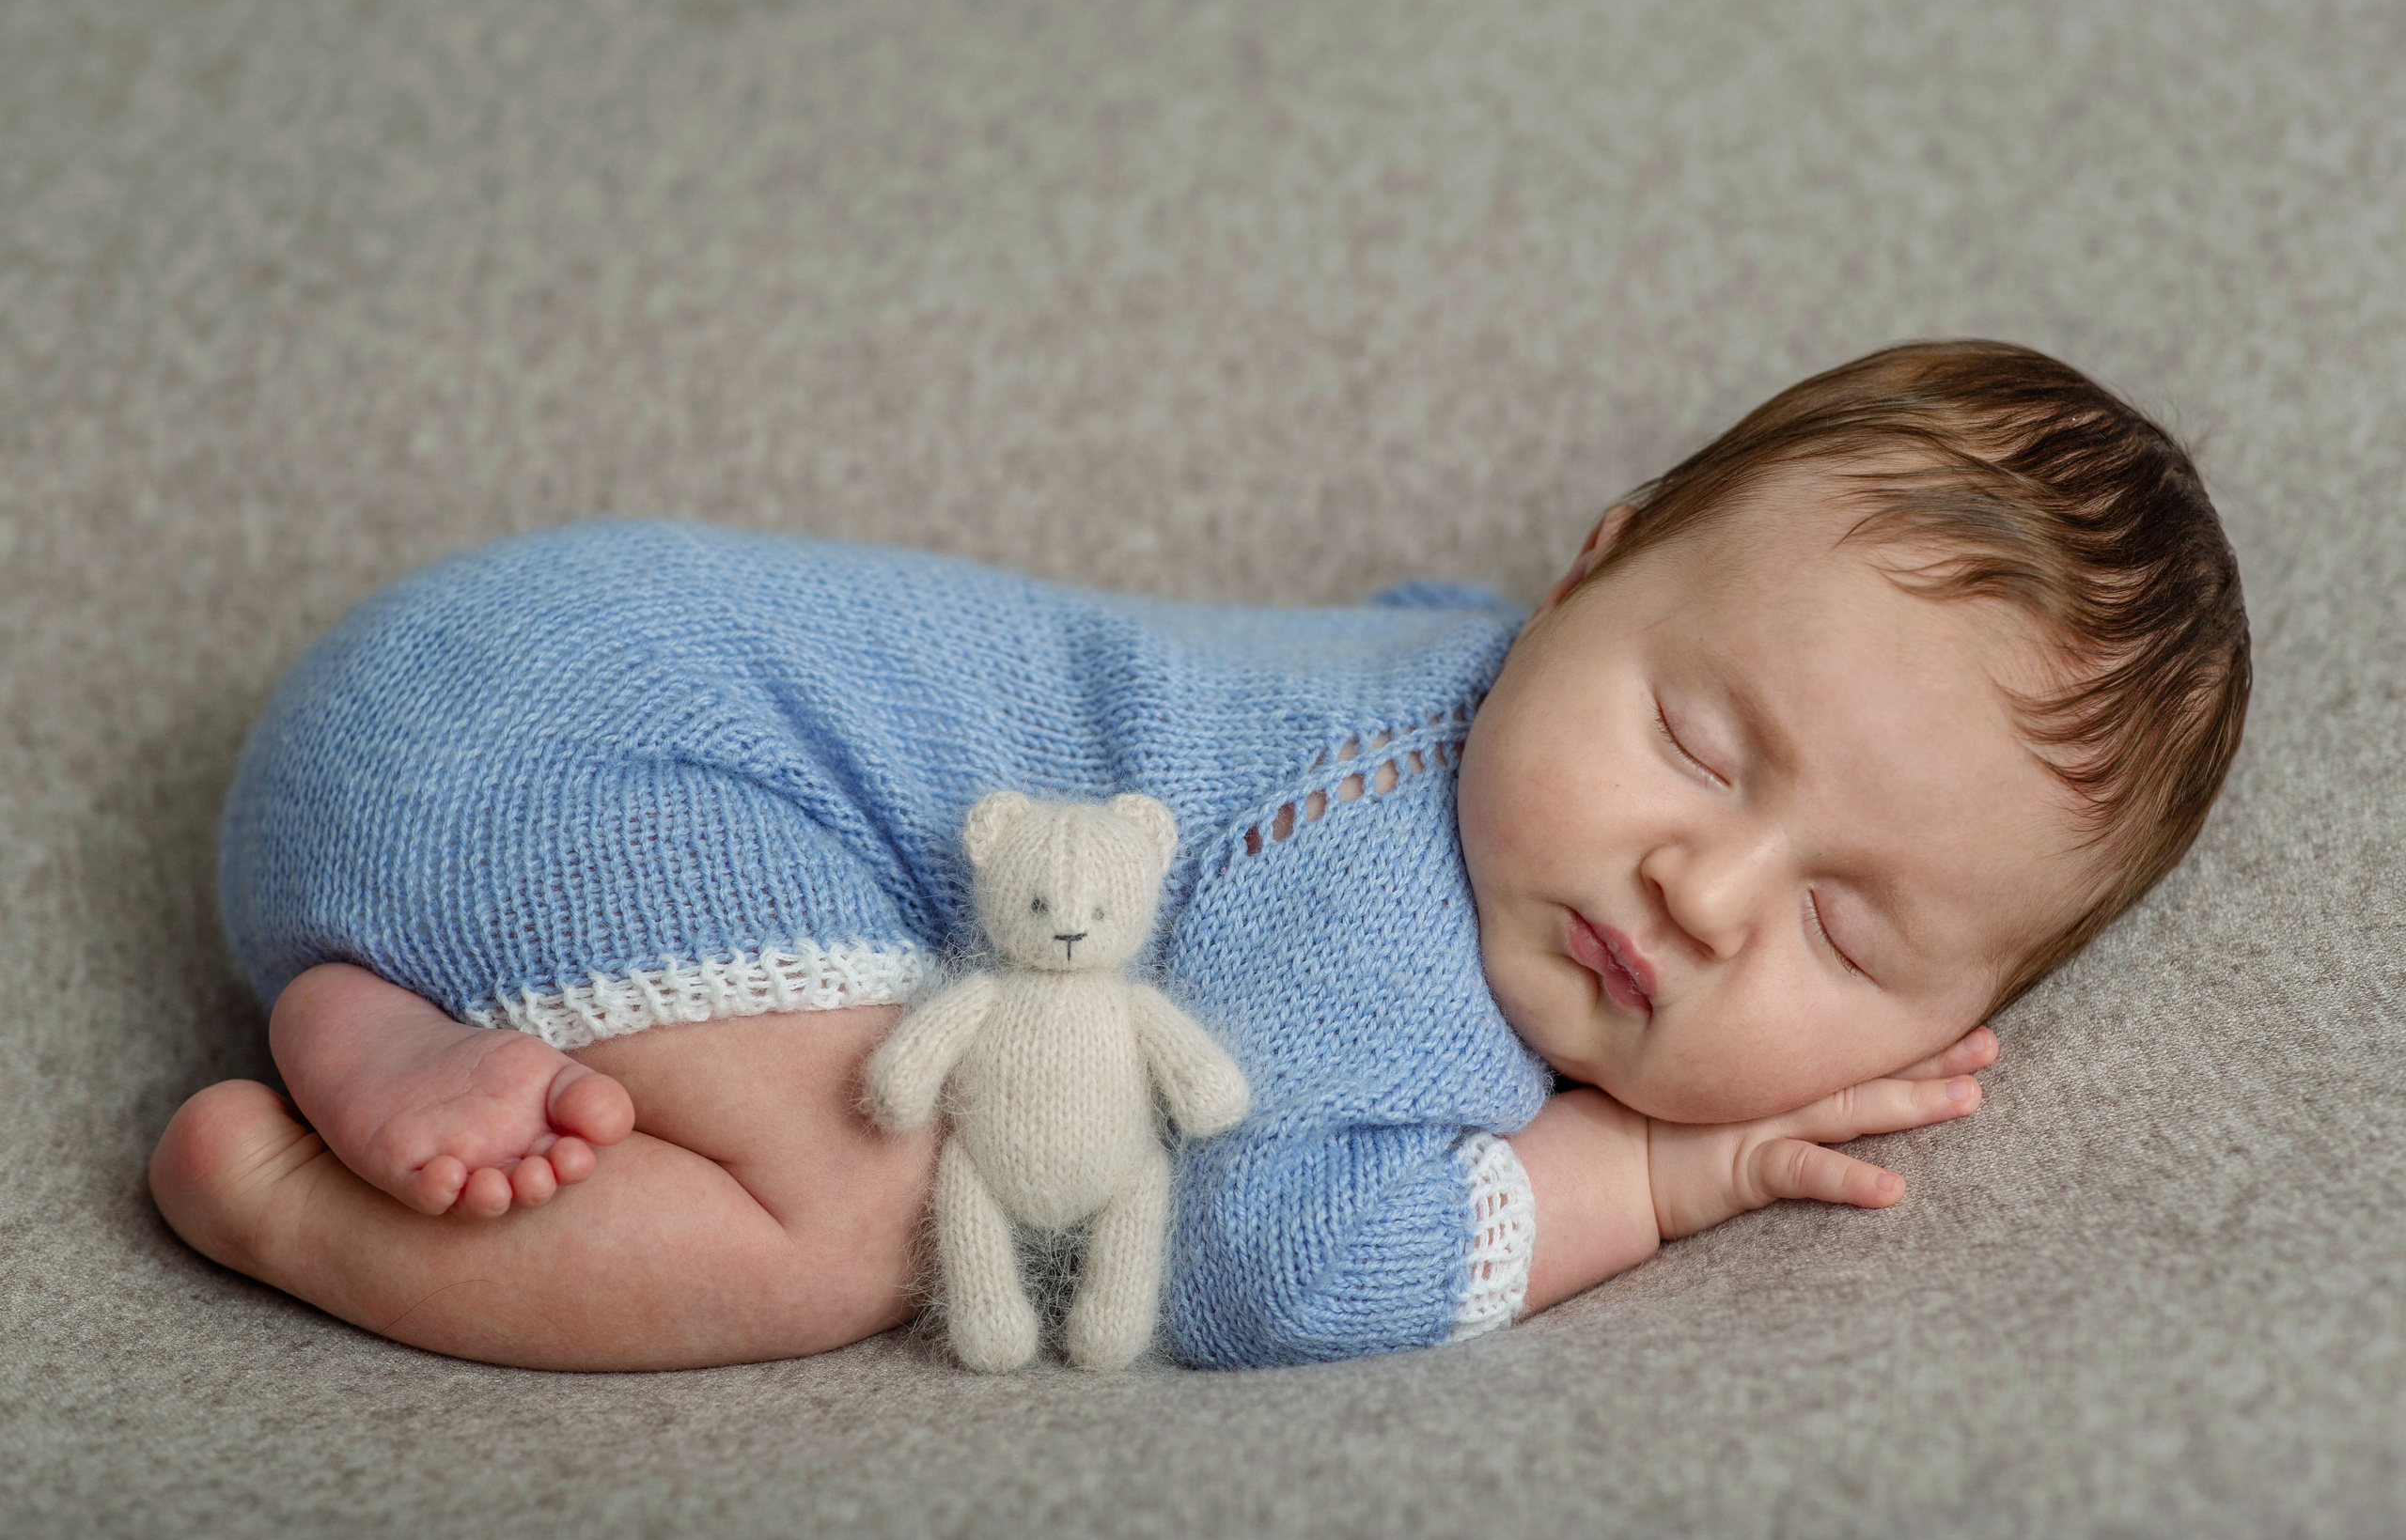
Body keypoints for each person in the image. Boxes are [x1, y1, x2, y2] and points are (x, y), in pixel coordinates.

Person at [148, 339, 2250, 1372]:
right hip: (611, 769)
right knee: (879, 1193)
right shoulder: (1382, 932)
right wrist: (1643, 1169)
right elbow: (1245, 1254)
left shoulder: (1459, 670)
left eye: (1840, 924)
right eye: (1697, 741)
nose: (1696, 887)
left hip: (445, 673)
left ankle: (360, 991)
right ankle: (297, 1199)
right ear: (1581, 568)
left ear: (1965, 1018)